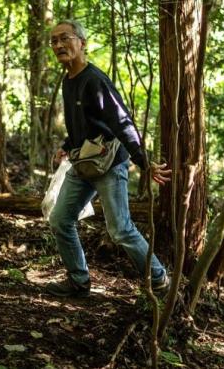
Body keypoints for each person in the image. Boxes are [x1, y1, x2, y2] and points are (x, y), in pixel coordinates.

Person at [45, 19, 172, 298]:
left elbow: (121, 122)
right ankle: (79, 282)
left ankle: (161, 281)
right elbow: (83, 122)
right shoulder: (69, 81)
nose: (58, 45)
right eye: (54, 41)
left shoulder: (95, 80)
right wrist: (67, 144)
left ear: (82, 43)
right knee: (60, 219)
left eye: (64, 38)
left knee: (120, 230)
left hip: (109, 163)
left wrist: (144, 161)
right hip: (83, 162)